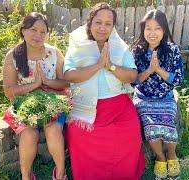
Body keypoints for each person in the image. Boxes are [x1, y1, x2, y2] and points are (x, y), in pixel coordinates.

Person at [63, 3, 145, 180]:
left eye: (108, 24)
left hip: (118, 105)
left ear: (113, 26)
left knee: (130, 132)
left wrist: (111, 67)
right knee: (80, 136)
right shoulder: (78, 45)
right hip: (86, 106)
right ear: (90, 23)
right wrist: (98, 65)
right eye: (98, 22)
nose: (102, 27)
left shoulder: (119, 47)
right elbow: (69, 75)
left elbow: (132, 75)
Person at [2, 12, 68, 180]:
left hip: (53, 103)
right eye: (33, 29)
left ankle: (60, 174)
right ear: (23, 30)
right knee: (29, 135)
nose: (38, 35)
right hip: (23, 106)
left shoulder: (54, 53)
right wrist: (34, 85)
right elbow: (9, 91)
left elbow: (65, 83)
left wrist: (47, 81)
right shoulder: (13, 56)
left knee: (53, 130)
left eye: (42, 32)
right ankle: (26, 176)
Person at [131, 10, 184, 179]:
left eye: (157, 28)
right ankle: (160, 158)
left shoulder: (172, 50)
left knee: (168, 123)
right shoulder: (137, 51)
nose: (152, 33)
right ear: (143, 30)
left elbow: (178, 79)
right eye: (148, 28)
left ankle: (171, 154)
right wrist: (149, 70)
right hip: (143, 98)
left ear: (164, 30)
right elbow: (133, 81)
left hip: (165, 98)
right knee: (150, 125)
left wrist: (159, 70)